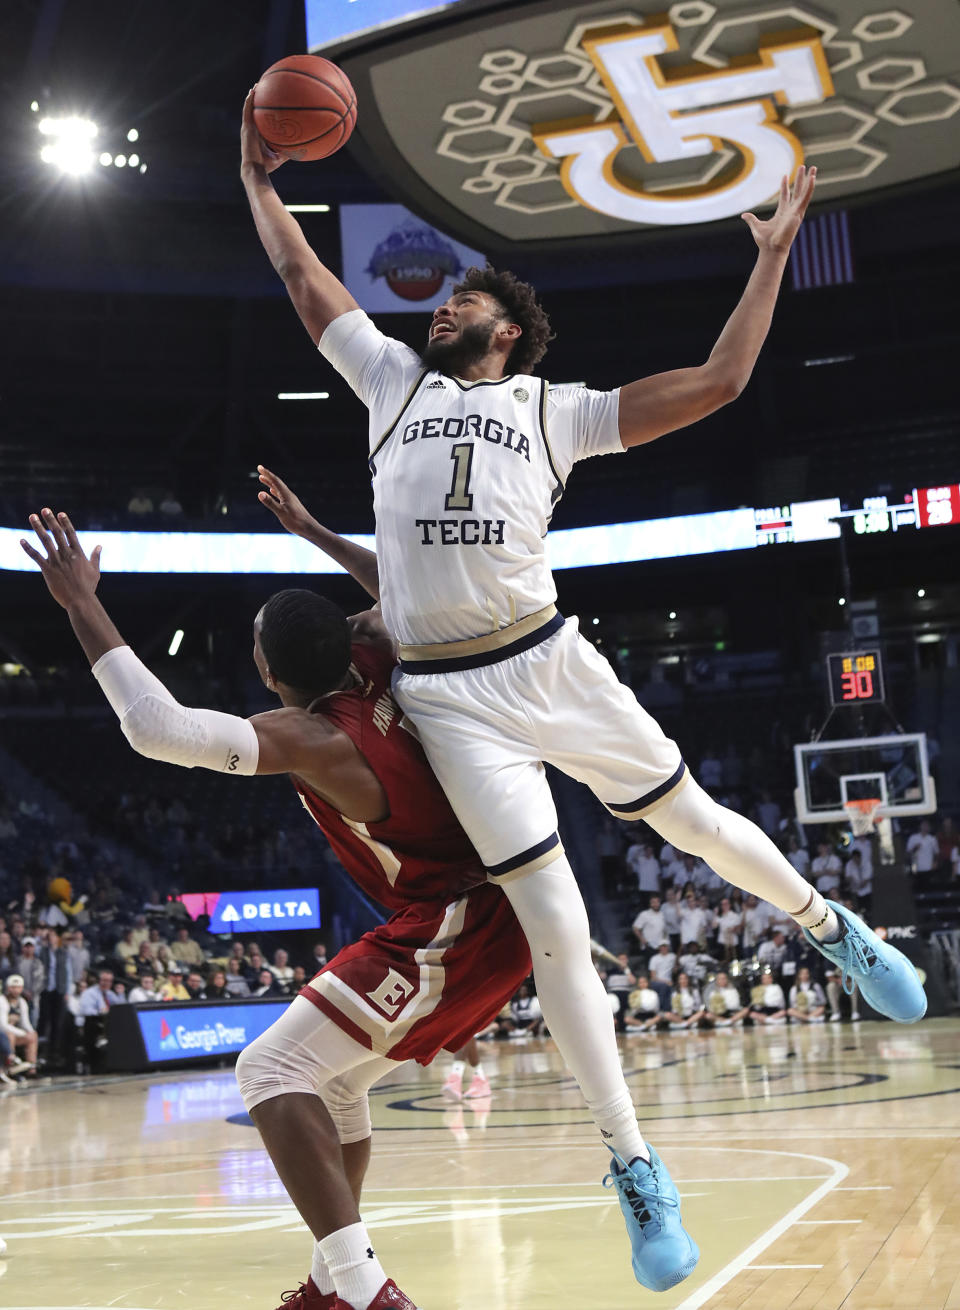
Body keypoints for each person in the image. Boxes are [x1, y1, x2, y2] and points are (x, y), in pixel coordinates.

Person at [22, 506, 530, 1310]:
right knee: (333, 1088)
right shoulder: (377, 653)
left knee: (266, 1068)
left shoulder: (316, 737)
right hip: (482, 908)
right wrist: (319, 538)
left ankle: (367, 1293)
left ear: (267, 671)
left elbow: (157, 728)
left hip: (457, 923)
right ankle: (334, 1283)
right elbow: (400, 586)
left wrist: (81, 602)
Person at [0, 975, 38, 1073]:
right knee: (10, 1035)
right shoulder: (2, 1001)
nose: (16, 990)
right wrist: (21, 1033)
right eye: (13, 987)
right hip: (4, 1034)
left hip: (15, 1033)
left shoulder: (22, 1002)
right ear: (8, 988)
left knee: (33, 1036)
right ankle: (9, 1069)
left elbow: (25, 1023)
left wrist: (31, 1032)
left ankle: (31, 1068)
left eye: (18, 987)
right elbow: (3, 1025)